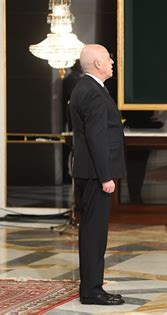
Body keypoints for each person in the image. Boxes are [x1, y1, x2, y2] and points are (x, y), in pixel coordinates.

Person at [69, 44, 126, 306]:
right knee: (94, 233)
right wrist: (106, 177)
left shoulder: (87, 88)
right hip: (95, 174)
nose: (112, 62)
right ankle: (92, 290)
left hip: (89, 172)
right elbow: (97, 138)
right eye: (107, 58)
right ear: (97, 64)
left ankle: (92, 286)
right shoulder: (92, 92)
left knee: (92, 232)